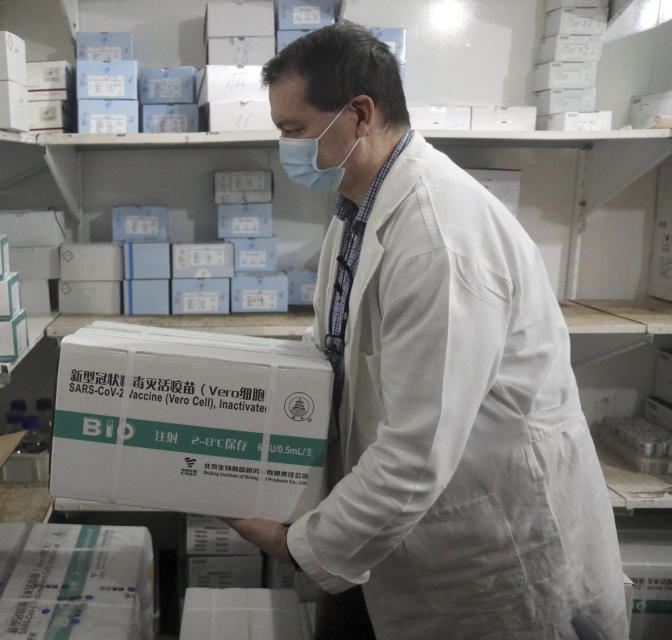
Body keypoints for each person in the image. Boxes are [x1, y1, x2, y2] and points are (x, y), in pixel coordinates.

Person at [223, 22, 629, 640]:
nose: (288, 150)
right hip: (402, 535)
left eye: (296, 131)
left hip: (490, 547)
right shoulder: (360, 209)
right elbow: (336, 351)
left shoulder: (437, 241)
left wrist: (297, 544)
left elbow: (416, 454)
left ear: (359, 114)